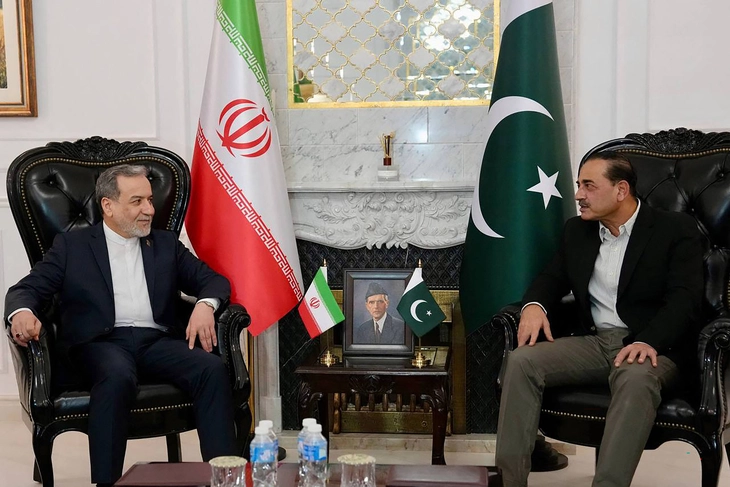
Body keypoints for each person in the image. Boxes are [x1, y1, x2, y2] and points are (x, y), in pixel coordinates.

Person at [4, 165, 237, 487]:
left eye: (150, 200)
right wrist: (21, 313)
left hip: (156, 342)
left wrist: (204, 305)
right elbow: (26, 289)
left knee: (210, 369)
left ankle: (225, 477)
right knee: (116, 375)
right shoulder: (72, 246)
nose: (149, 210)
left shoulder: (165, 244)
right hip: (99, 344)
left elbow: (213, 281)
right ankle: (107, 483)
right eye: (137, 201)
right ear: (108, 206)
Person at [495, 152, 704, 487]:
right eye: (579, 185)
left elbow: (685, 299)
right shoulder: (577, 230)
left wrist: (648, 340)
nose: (579, 194)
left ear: (621, 190)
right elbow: (551, 277)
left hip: (654, 345)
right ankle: (508, 482)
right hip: (595, 342)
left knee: (635, 378)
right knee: (522, 361)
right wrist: (533, 306)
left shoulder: (674, 229)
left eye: (589, 186)